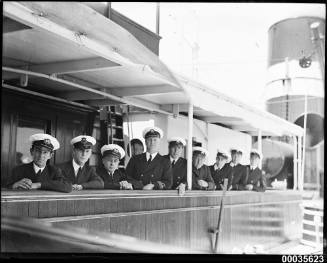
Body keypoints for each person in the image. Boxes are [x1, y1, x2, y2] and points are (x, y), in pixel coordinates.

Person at [6, 133, 72, 193]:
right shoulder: (18, 170)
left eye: (45, 152)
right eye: (38, 151)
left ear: (50, 155)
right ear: (32, 151)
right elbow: (5, 188)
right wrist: (14, 185)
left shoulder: (54, 171)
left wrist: (38, 185)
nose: (41, 156)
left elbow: (68, 187)